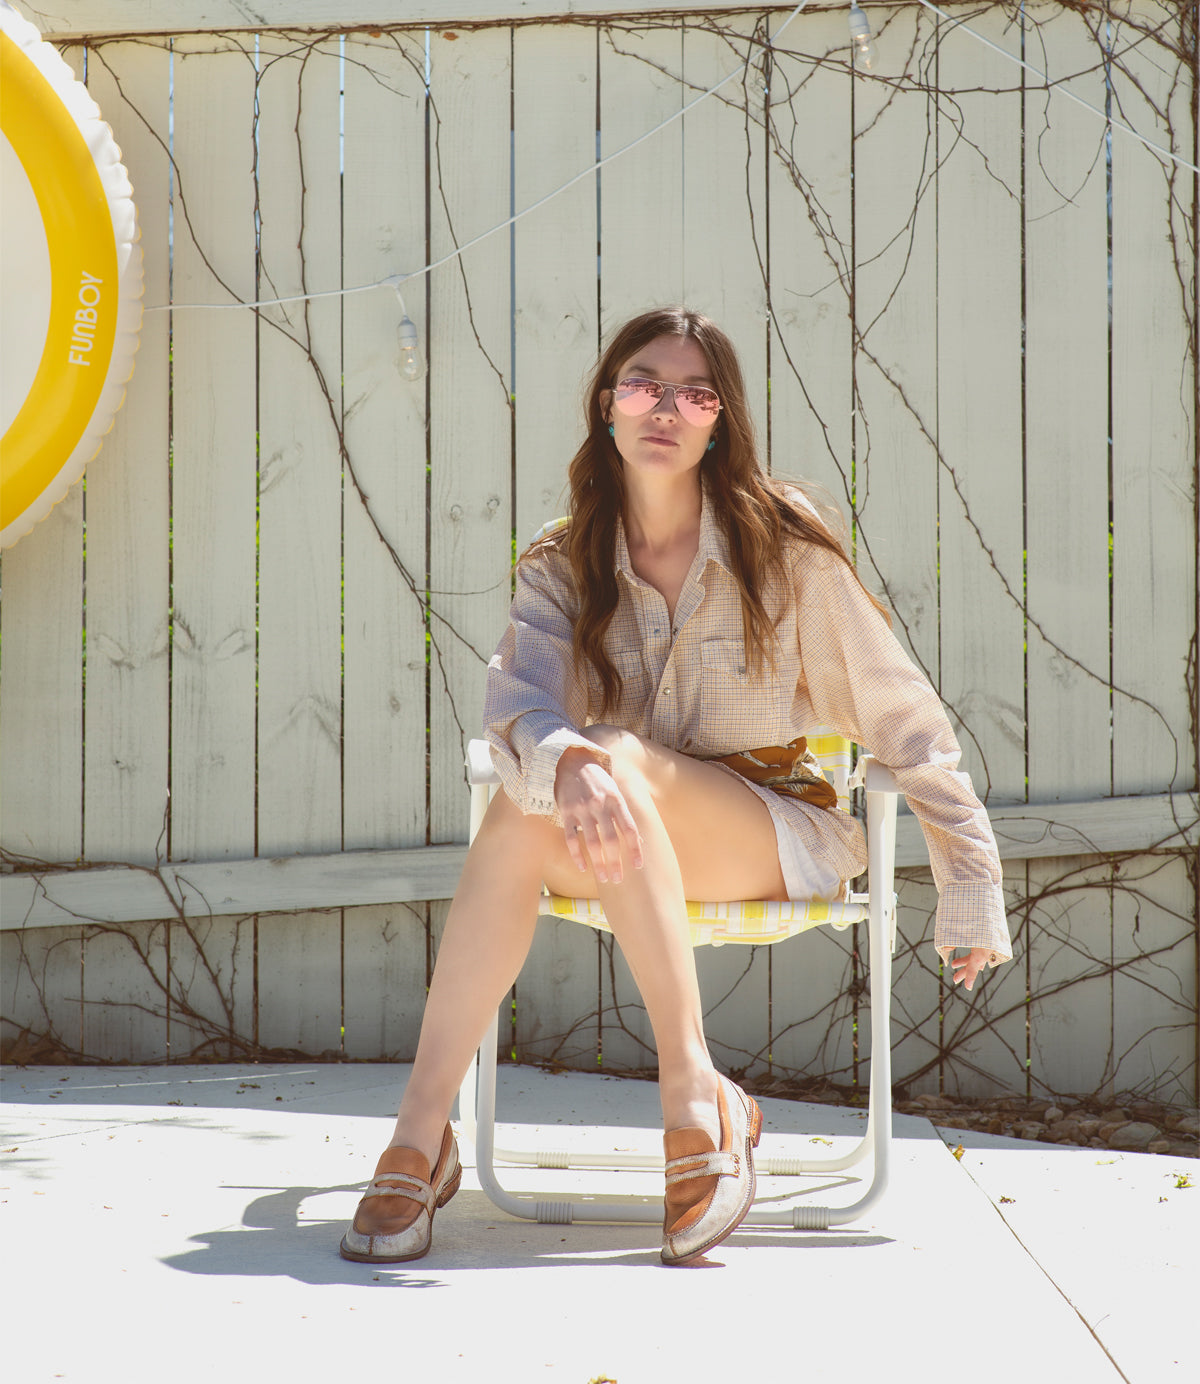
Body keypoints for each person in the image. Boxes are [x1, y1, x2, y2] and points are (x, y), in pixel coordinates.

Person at [339, 306, 1011, 1268]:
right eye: (645, 384)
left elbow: (904, 719)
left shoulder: (784, 546)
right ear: (607, 405)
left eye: (696, 394)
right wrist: (568, 761)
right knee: (531, 794)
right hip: (621, 828)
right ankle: (424, 1129)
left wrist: (969, 882)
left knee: (591, 757)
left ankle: (689, 1091)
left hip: (772, 829)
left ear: (718, 423)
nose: (668, 408)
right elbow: (517, 703)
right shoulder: (563, 558)